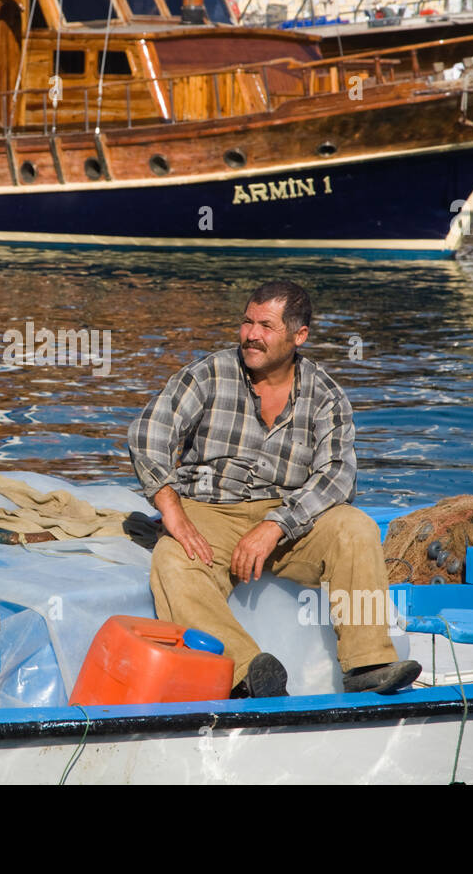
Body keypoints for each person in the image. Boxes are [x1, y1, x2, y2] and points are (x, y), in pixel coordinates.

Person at [128, 281, 420, 698]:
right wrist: (172, 510)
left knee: (355, 528)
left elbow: (338, 475)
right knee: (172, 561)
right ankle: (247, 674)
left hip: (290, 518)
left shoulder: (326, 395)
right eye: (247, 322)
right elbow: (148, 434)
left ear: (298, 336)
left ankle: (368, 664)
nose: (250, 334)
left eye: (265, 325)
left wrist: (276, 525)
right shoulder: (208, 373)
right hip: (210, 511)